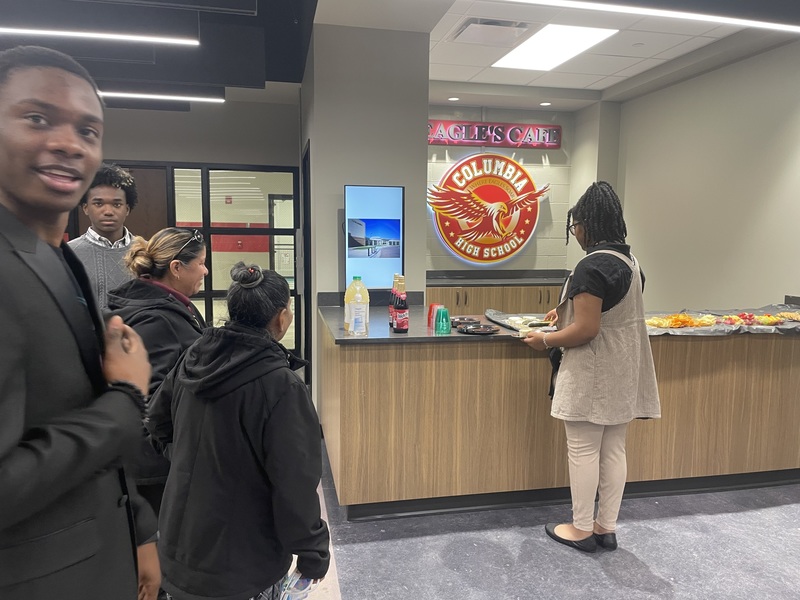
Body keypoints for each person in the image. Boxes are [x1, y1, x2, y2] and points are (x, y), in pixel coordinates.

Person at [0, 45, 160, 599]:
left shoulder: (50, 255)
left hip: (100, 552)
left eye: (87, 130)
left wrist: (138, 527)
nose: (69, 143)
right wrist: (127, 399)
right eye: (37, 118)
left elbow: (72, 406)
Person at [147, 261, 330, 600]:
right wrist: (313, 553)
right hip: (243, 564)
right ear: (281, 318)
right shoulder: (281, 385)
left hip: (177, 550)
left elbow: (156, 423)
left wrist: (189, 461)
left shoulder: (193, 357)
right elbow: (294, 482)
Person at [523, 181, 661, 553]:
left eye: (575, 226)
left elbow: (587, 329)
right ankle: (606, 527)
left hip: (593, 371)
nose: (576, 234)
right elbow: (608, 311)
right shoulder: (631, 263)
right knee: (614, 449)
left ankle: (581, 528)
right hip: (623, 368)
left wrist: (546, 339)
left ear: (587, 224)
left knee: (583, 449)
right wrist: (564, 311)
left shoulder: (591, 265)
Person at [107, 227, 208, 515]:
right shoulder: (156, 319)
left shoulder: (168, 306)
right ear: (176, 268)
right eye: (201, 263)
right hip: (156, 467)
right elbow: (150, 401)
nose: (205, 270)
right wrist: (180, 453)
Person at [68, 162, 138, 309]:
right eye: (98, 204)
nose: (108, 211)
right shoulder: (68, 254)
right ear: (86, 208)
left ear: (127, 209)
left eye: (116, 204)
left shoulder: (145, 251)